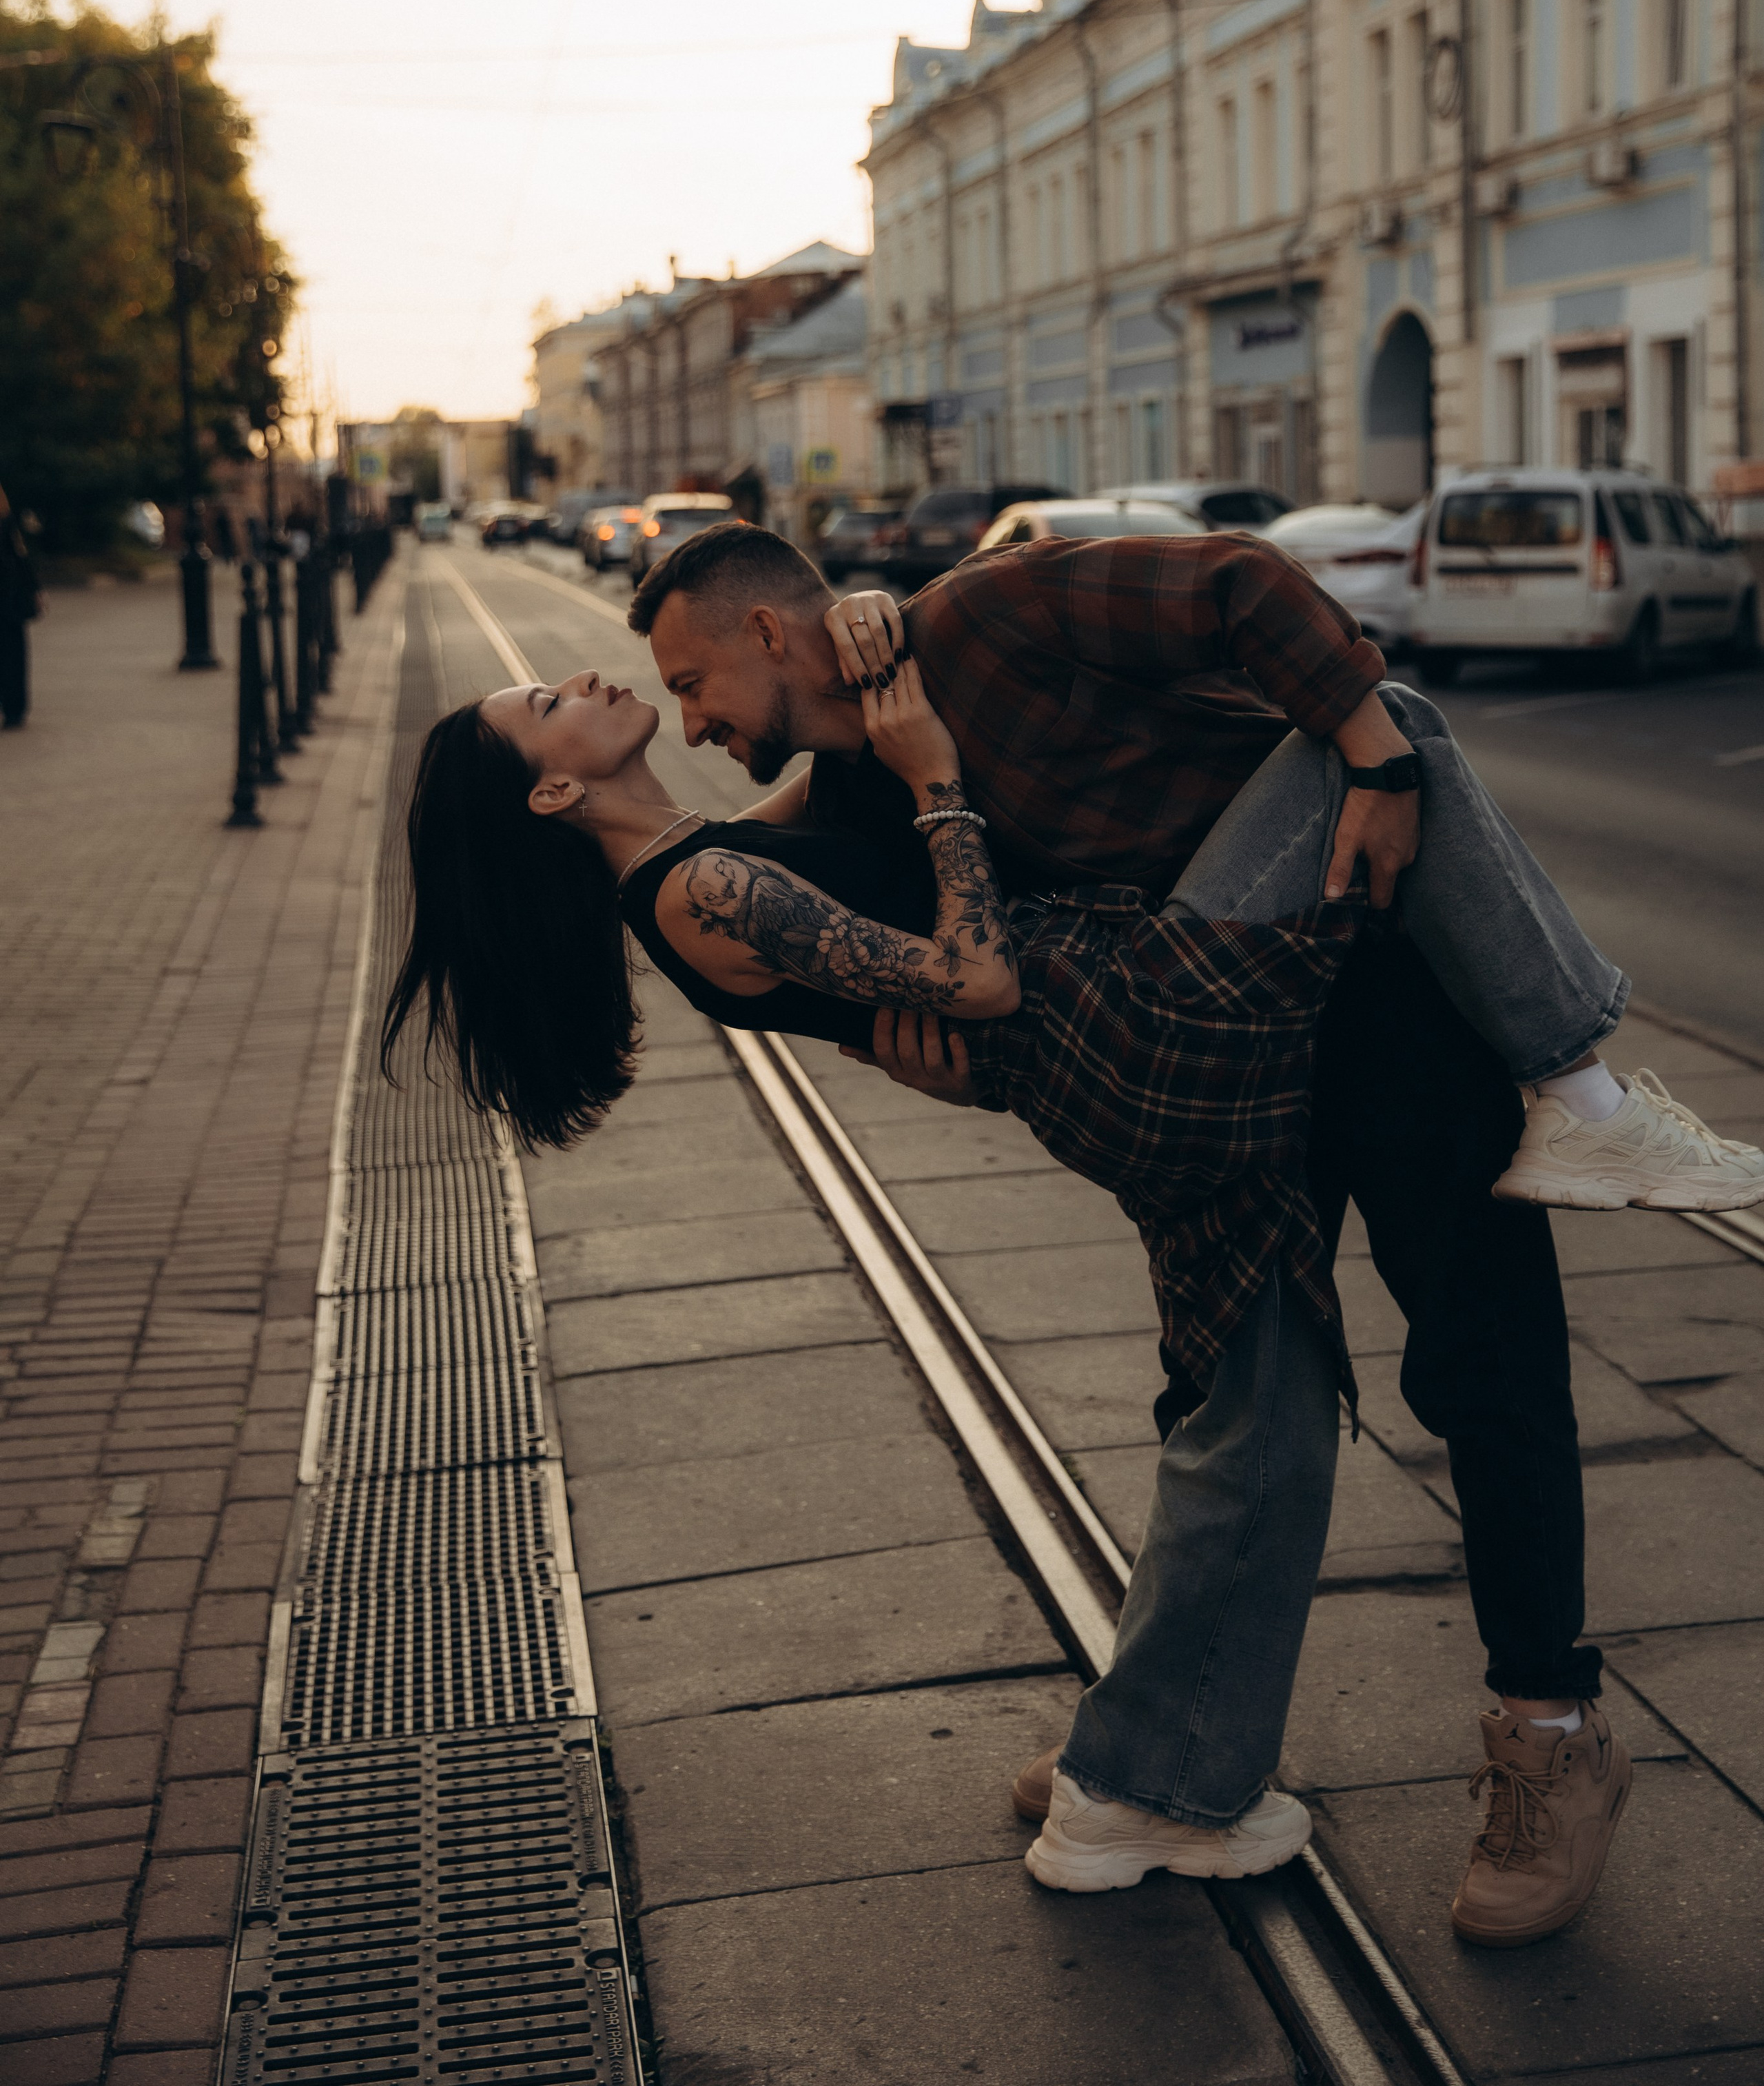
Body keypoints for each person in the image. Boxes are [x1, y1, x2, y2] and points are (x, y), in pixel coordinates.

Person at [613, 519, 1760, 1949]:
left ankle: (1549, 1739)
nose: (690, 718)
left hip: (1378, 1002)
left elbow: (1235, 581)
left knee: (1484, 1370)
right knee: (1222, 1395)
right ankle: (1157, 1745)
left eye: (690, 681)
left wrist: (1374, 757)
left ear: (768, 635)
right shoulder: (861, 765)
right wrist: (929, 1055)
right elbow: (911, 958)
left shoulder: (984, 622)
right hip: (1208, 1064)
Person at [0, 484, 43, 730]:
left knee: (12, 653)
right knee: (13, 653)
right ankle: (14, 708)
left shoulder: (7, 521)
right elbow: (21, 557)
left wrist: (35, 589)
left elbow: (20, 557)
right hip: (10, 597)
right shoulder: (7, 521)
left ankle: (14, 707)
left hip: (8, 598)